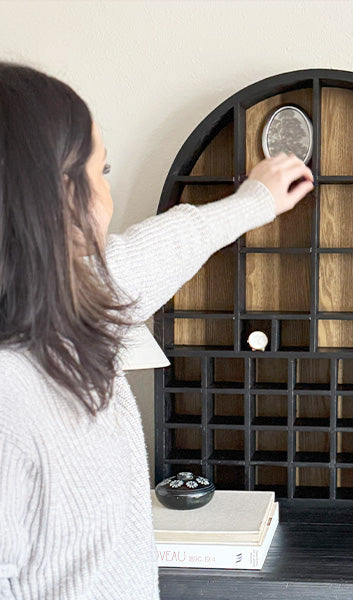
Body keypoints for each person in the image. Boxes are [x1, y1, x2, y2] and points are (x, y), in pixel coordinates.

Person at [0, 62, 313, 600]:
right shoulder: (10, 396)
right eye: (101, 171)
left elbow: (149, 254)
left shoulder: (67, 301)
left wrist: (253, 202)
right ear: (49, 196)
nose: (107, 196)